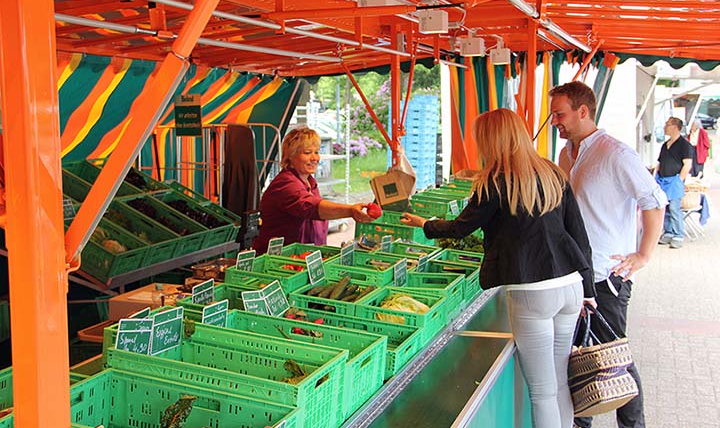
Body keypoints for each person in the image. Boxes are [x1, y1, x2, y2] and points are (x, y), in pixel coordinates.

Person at [401, 108, 596, 428]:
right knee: (560, 381)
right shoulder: (552, 172)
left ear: (491, 140)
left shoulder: (494, 181)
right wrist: (589, 290)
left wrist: (425, 224)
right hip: (570, 287)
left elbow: (461, 228)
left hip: (532, 291)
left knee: (543, 391)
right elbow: (578, 232)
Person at [549, 81, 666, 428]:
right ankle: (580, 423)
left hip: (606, 275)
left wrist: (642, 256)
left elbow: (655, 201)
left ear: (582, 111)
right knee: (580, 357)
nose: (555, 121)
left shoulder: (615, 153)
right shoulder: (566, 153)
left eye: (560, 114)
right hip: (574, 273)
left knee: (615, 359)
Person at [253, 126, 375, 254]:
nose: (314, 158)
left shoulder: (310, 182)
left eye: (316, 152)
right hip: (279, 259)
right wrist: (350, 211)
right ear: (291, 156)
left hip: (306, 256)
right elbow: (309, 207)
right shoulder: (285, 184)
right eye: (307, 153)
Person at [654, 117, 693, 249]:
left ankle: (678, 234)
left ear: (675, 127)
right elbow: (660, 162)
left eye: (667, 125)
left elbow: (687, 164)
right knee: (665, 208)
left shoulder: (684, 145)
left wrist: (679, 180)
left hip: (674, 180)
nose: (665, 127)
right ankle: (668, 232)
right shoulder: (665, 145)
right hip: (662, 179)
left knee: (674, 209)